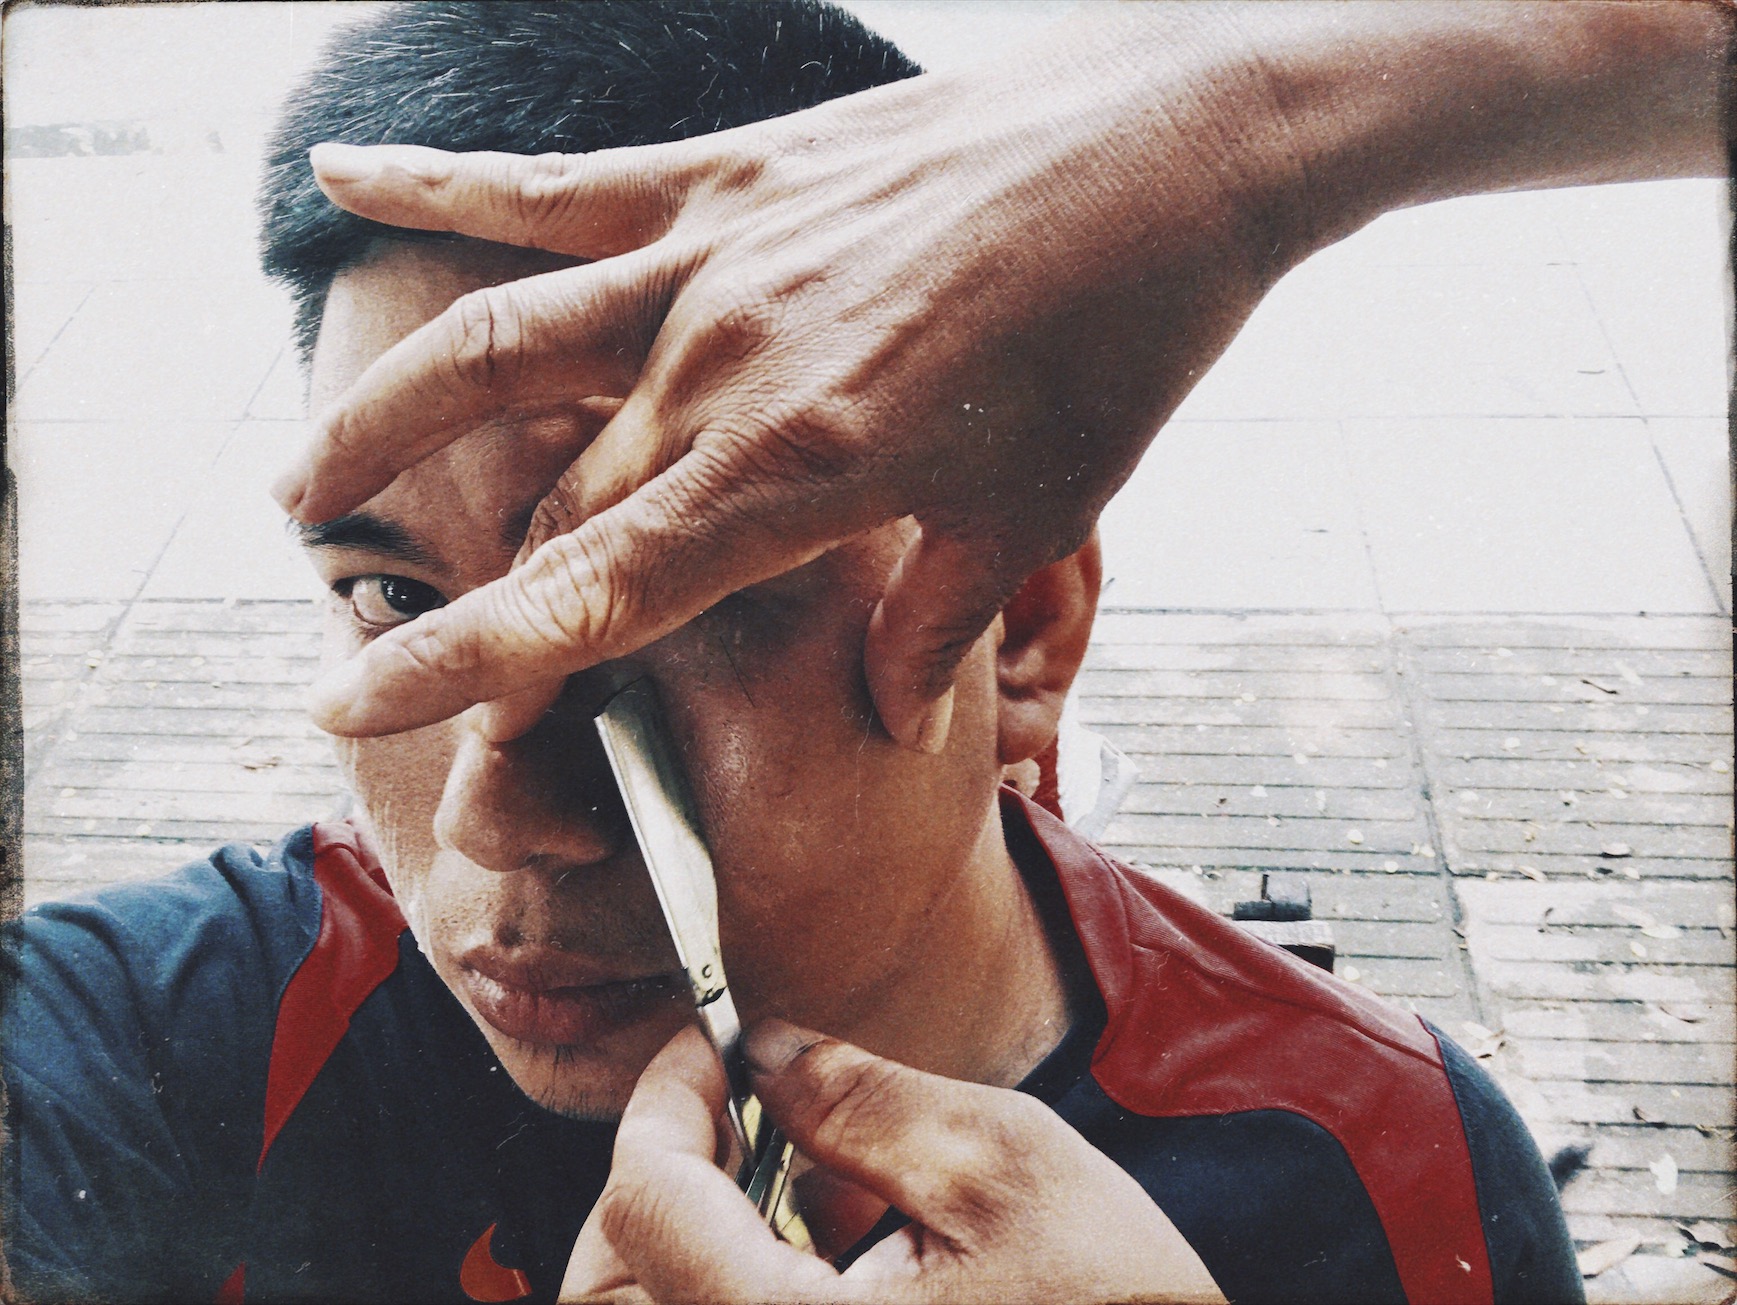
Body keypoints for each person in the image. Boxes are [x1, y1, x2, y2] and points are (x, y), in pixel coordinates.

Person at [8, 1, 1690, 1301]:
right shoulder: (162, 1047)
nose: (494, 819)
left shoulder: (1374, 1166)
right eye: (394, 599)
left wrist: (1243, 115)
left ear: (1021, 624)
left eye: (679, 600)